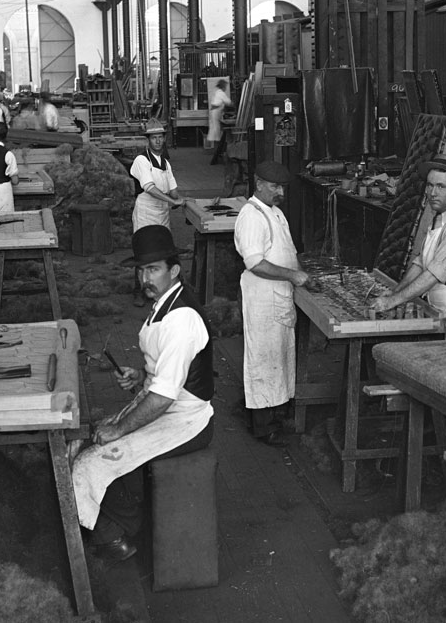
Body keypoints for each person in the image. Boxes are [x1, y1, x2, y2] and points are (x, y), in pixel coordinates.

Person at [70, 225, 214, 560]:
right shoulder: (167, 300)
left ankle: (114, 536)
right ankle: (123, 520)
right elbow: (167, 373)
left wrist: (120, 429)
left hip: (187, 419)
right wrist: (142, 377)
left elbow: (164, 397)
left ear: (174, 270)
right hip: (171, 404)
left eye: (153, 269)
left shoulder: (181, 319)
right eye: (141, 270)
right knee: (93, 438)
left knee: (94, 461)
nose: (144, 278)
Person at [371, 155, 446, 339]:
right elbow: (420, 263)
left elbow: (433, 273)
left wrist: (392, 301)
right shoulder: (438, 215)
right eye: (430, 185)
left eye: (441, 186)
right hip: (439, 297)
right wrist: (397, 290)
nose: (432, 192)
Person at [234, 161, 309, 446]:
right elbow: (254, 263)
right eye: (275, 186)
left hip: (279, 297)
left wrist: (300, 272)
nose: (281, 192)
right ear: (259, 183)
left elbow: (286, 251)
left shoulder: (274, 212)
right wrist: (292, 274)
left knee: (277, 357)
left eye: (283, 187)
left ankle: (275, 414)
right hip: (263, 299)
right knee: (264, 360)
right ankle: (263, 427)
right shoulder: (252, 216)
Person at [130, 117, 186, 306]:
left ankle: (169, 286)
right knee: (144, 251)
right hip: (146, 210)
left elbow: (173, 188)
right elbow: (150, 187)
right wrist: (173, 201)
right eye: (154, 138)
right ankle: (139, 291)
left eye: (160, 137)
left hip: (162, 211)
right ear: (148, 139)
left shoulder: (165, 163)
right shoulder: (141, 160)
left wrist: (181, 199)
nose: (158, 141)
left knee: (164, 249)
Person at [207, 79, 232, 151]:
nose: (226, 88)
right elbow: (228, 102)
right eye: (225, 86)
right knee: (216, 130)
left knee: (215, 130)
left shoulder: (216, 92)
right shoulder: (221, 93)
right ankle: (217, 149)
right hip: (216, 112)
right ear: (223, 87)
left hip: (214, 112)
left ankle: (217, 149)